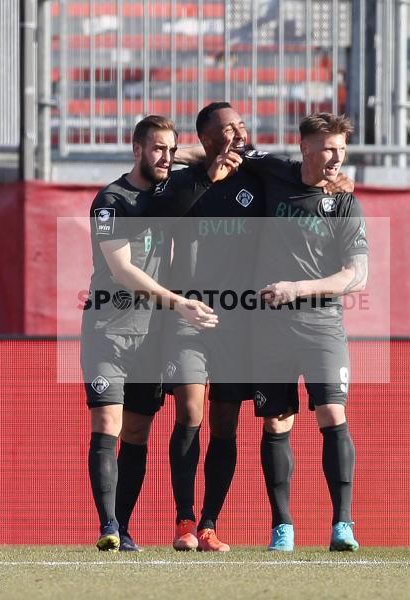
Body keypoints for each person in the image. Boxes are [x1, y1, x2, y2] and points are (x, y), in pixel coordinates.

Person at [82, 115, 241, 552]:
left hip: (150, 334)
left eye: (172, 150)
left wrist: (214, 150)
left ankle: (124, 529)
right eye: (157, 149)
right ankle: (109, 526)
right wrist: (179, 302)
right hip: (109, 328)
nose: (167, 157)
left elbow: (192, 158)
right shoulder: (111, 201)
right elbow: (123, 270)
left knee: (136, 433)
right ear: (136, 150)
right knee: (108, 423)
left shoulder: (168, 188)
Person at [240, 113, 368, 552]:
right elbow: (223, 153)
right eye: (329, 148)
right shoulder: (274, 172)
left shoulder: (346, 204)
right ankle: (283, 528)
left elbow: (357, 274)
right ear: (306, 148)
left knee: (332, 415)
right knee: (276, 422)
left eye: (342, 149)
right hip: (269, 329)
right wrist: (175, 152)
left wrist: (299, 288)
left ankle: (343, 526)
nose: (337, 158)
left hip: (321, 325)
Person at [161, 102, 265, 552]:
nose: (239, 132)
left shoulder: (258, 178)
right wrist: (206, 171)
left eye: (241, 124)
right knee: (190, 411)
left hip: (238, 321)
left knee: (226, 424)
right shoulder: (184, 182)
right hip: (188, 316)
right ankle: (183, 521)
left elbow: (301, 172)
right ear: (206, 138)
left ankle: (208, 525)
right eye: (228, 128)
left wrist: (341, 181)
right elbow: (163, 209)